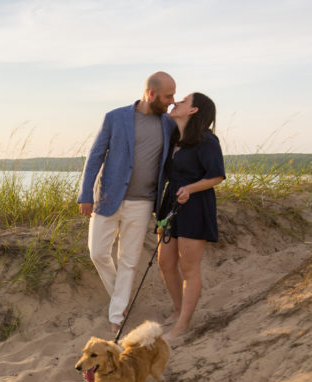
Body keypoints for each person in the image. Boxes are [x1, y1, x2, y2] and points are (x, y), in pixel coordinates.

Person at [78, 72, 176, 333]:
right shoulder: (115, 117)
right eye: (168, 96)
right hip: (108, 197)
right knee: (97, 252)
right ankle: (119, 299)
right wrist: (85, 194)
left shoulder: (169, 124)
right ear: (151, 94)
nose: (172, 101)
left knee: (129, 261)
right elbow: (95, 155)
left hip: (143, 203)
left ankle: (117, 315)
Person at [157, 92, 225, 342]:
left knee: (189, 267)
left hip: (195, 205)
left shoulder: (207, 140)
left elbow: (217, 176)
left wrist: (191, 189)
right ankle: (178, 309)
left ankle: (183, 324)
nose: (176, 102)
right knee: (165, 262)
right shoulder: (174, 137)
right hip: (170, 205)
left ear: (194, 110)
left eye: (183, 101)